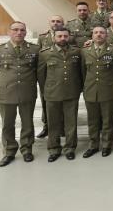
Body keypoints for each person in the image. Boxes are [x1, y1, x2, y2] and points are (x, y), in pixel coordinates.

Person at [0, 21, 40, 167]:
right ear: (9, 31)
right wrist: (4, 84)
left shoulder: (35, 49)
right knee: (7, 124)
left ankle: (27, 149)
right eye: (15, 30)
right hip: (6, 93)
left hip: (27, 91)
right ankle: (9, 152)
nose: (19, 33)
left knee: (27, 123)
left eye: (22, 30)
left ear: (25, 32)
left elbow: (38, 70)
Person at [37, 27, 82, 162]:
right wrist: (47, 90)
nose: (62, 38)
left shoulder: (76, 52)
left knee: (71, 123)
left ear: (69, 37)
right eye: (59, 36)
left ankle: (70, 148)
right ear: (54, 38)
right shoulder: (44, 54)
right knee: (53, 123)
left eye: (65, 36)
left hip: (71, 91)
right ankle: (54, 149)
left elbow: (81, 72)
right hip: (52, 93)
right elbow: (41, 75)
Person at [81, 26, 113, 158]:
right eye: (96, 32)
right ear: (92, 35)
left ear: (106, 35)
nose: (99, 35)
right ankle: (93, 145)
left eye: (102, 33)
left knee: (107, 120)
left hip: (107, 90)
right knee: (92, 120)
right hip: (90, 90)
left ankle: (107, 145)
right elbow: (82, 72)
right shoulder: (85, 51)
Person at [36, 15, 65, 139]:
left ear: (62, 23)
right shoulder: (43, 37)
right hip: (46, 76)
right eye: (53, 21)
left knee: (63, 103)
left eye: (58, 21)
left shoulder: (66, 36)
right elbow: (39, 56)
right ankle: (46, 126)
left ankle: (62, 127)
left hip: (60, 74)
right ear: (49, 23)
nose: (55, 23)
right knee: (45, 102)